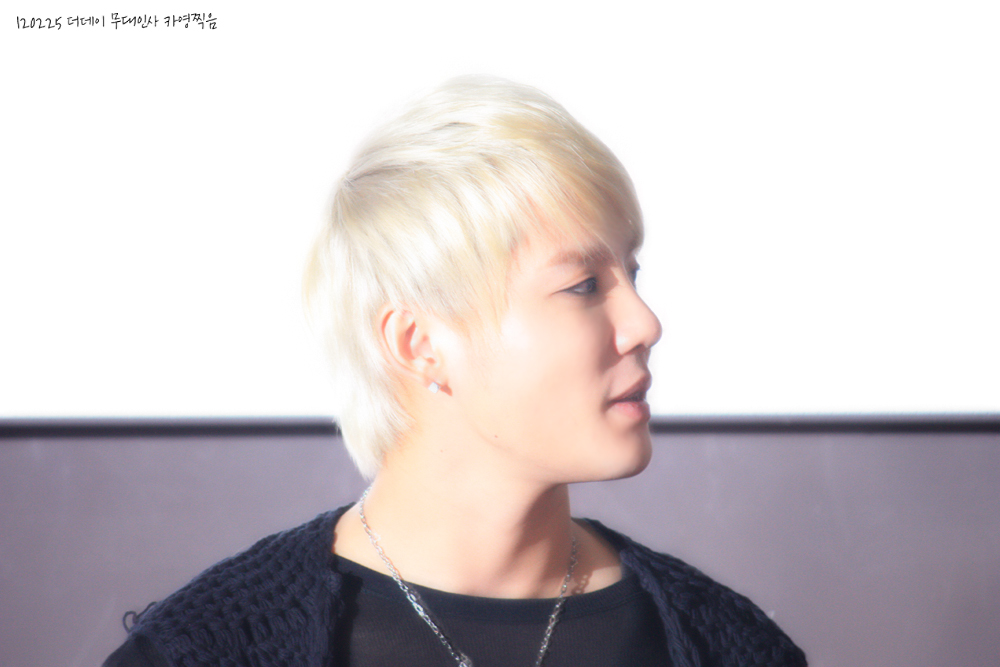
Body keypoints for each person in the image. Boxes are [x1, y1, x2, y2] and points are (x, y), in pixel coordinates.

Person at [104, 76, 807, 667]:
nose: (645, 323)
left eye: (632, 272)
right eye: (584, 285)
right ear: (419, 343)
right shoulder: (210, 650)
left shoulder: (732, 647)